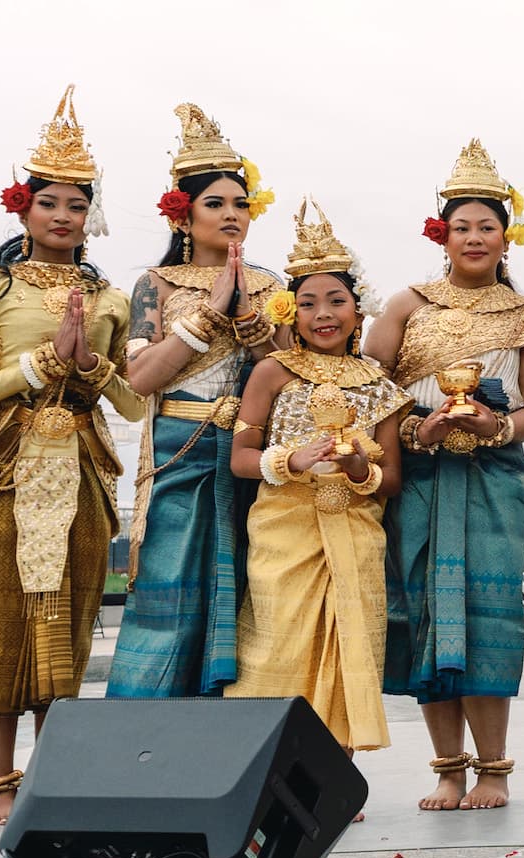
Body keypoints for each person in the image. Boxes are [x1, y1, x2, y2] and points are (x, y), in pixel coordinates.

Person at [0, 88, 144, 825]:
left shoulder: (112, 297)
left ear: (91, 217)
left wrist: (87, 362)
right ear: (22, 209)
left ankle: (52, 774)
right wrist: (36, 366)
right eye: (50, 203)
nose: (63, 217)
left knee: (68, 622)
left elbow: (132, 404)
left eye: (77, 206)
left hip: (80, 471)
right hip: (0, 470)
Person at [364, 140, 524, 811]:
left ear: (509, 236)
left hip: (494, 478)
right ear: (440, 233)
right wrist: (422, 431)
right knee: (425, 611)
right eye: (462, 225)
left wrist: (492, 427)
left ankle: (495, 770)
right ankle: (448, 768)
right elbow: (368, 394)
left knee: (487, 614)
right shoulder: (404, 306)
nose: (475, 237)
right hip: (419, 475)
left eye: (488, 226)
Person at [109, 103, 284, 699]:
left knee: (246, 581)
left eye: (240, 204)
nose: (232, 215)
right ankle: (145, 729)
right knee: (170, 579)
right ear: (183, 217)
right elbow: (139, 378)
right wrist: (211, 313)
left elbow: (294, 374)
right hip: (177, 451)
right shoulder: (155, 285)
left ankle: (229, 726)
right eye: (215, 204)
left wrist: (255, 321)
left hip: (249, 451)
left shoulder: (277, 288)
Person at [222, 200, 408, 752]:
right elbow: (239, 459)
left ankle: (335, 771)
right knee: (277, 645)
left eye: (336, 300)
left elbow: (392, 477)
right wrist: (290, 461)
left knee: (350, 641)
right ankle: (266, 765)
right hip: (286, 528)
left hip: (355, 529)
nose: (323, 313)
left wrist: (358, 469)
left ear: (358, 310)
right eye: (308, 303)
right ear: (291, 313)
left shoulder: (378, 381)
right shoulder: (271, 372)